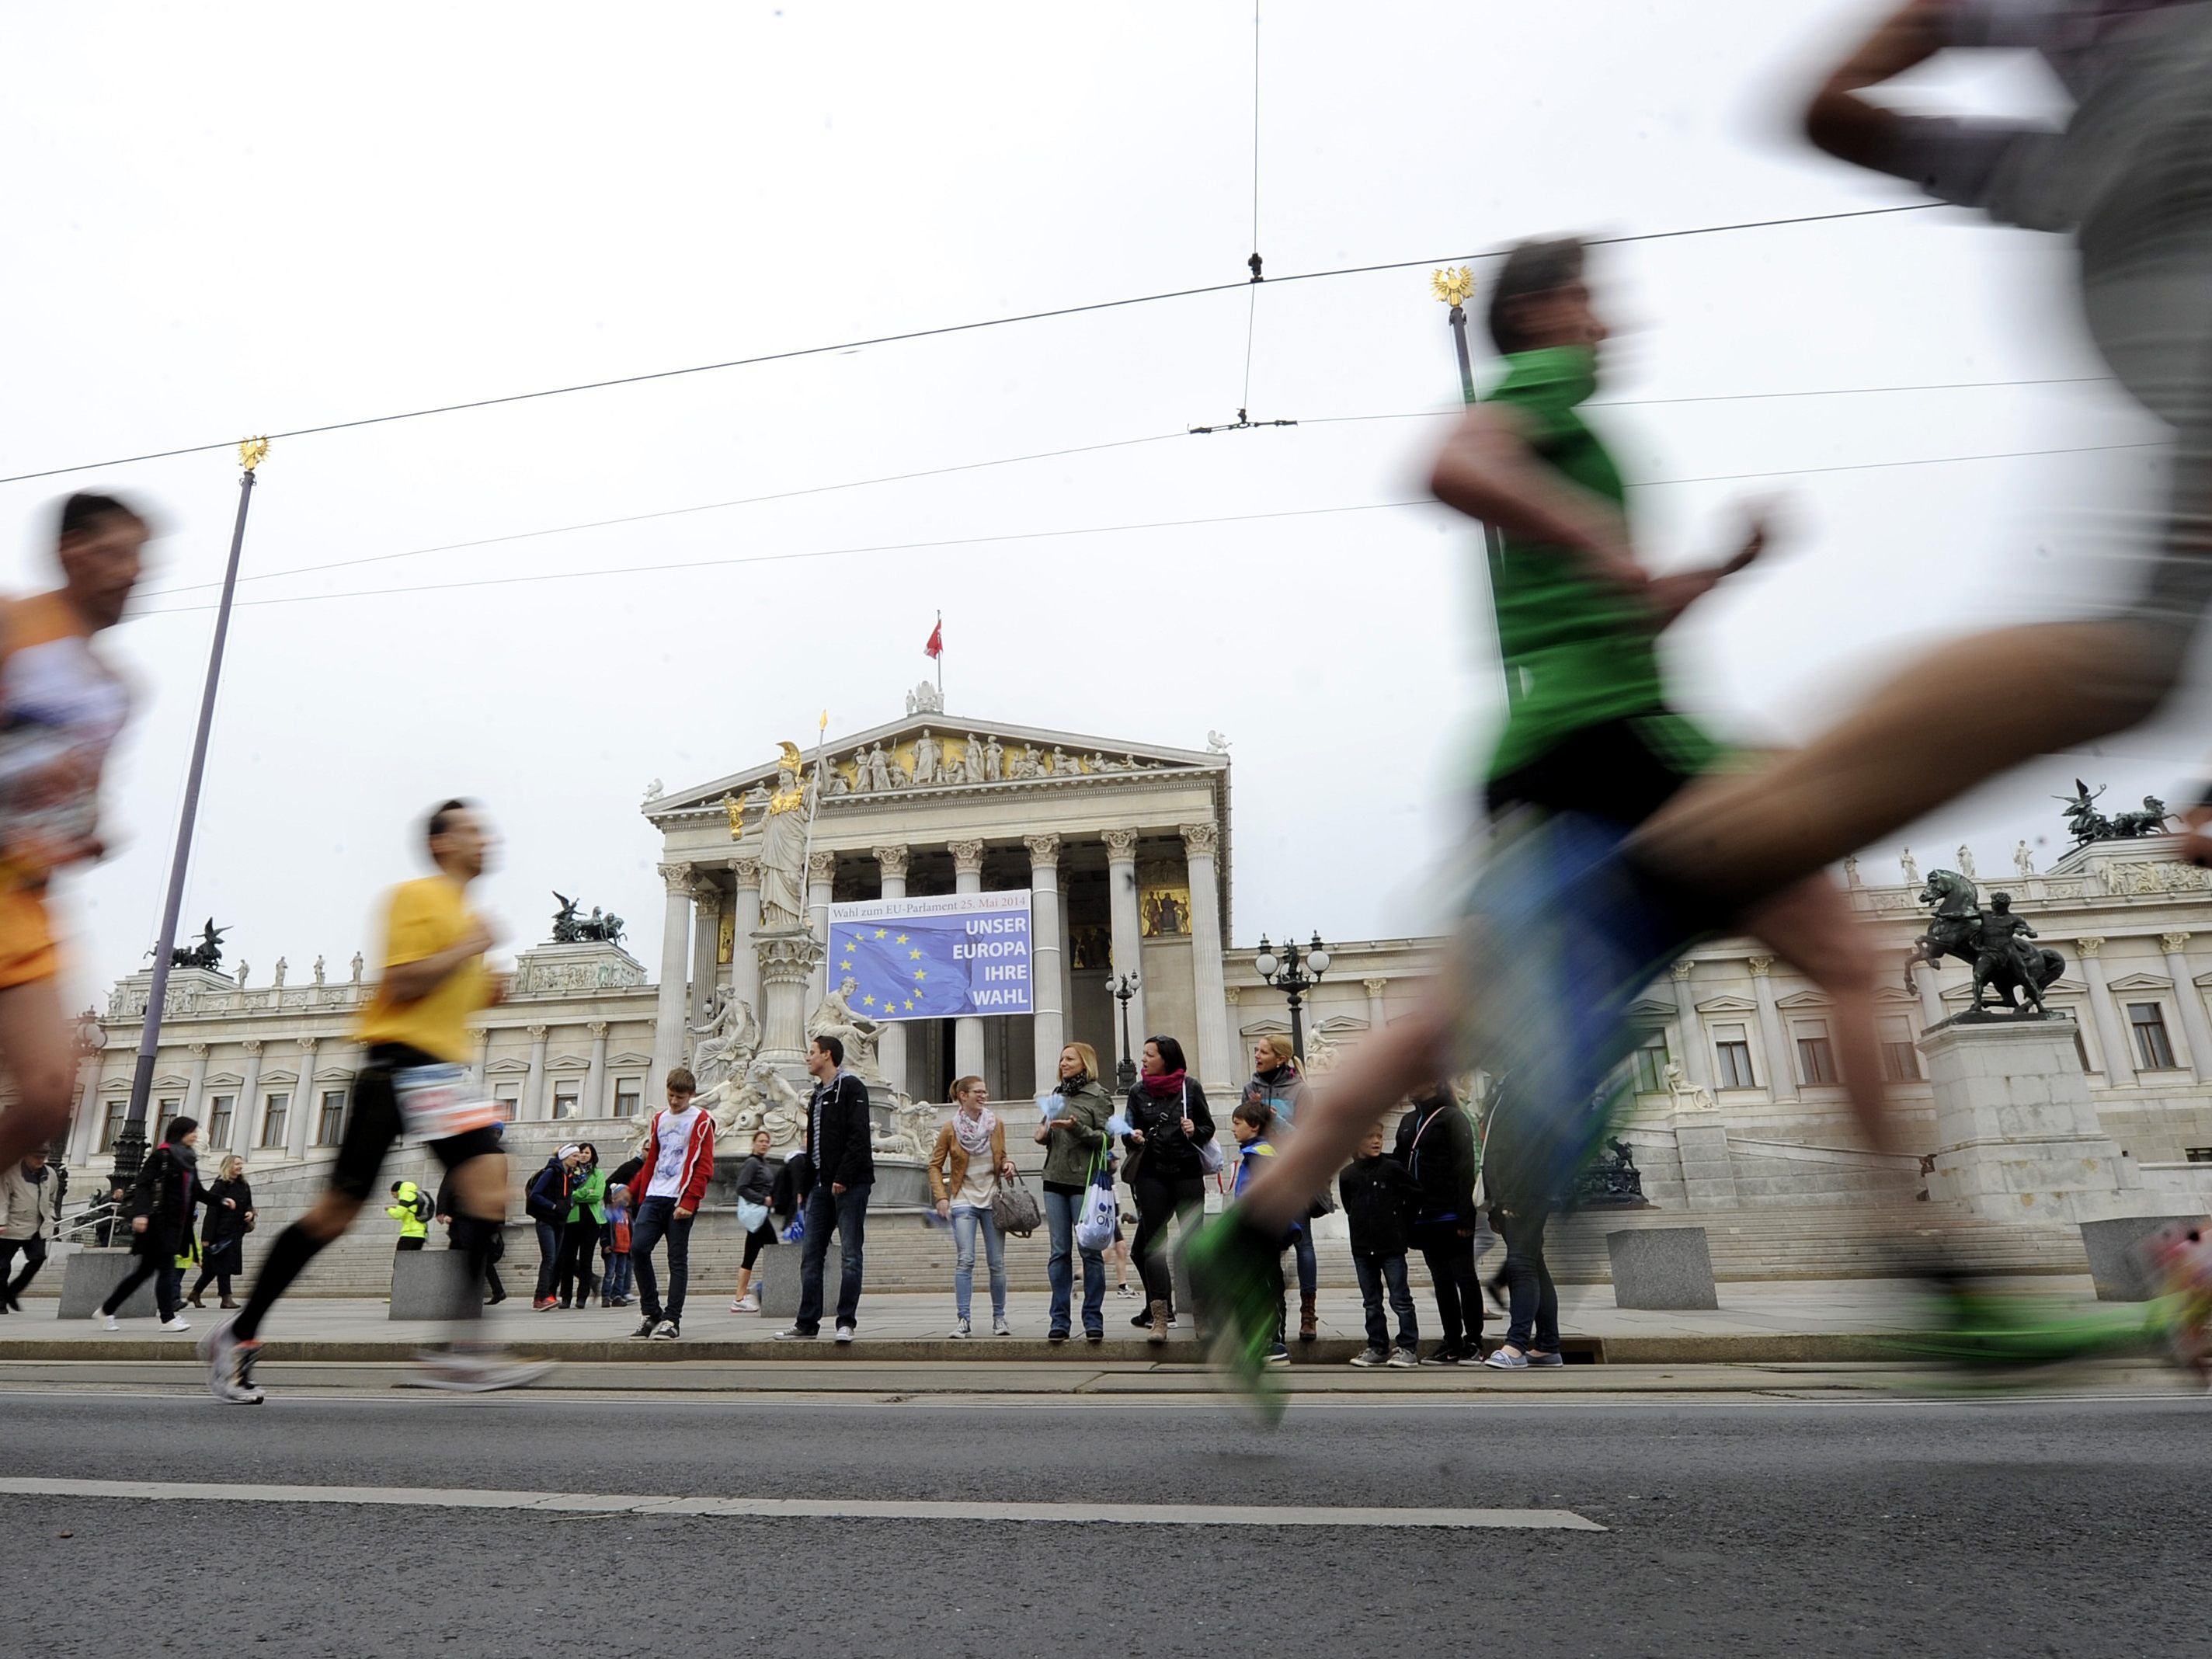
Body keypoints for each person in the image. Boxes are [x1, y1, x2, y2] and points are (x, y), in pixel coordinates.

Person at [202, 799, 549, 1402]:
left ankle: (462, 1352)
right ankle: (239, 1332)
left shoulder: (465, 913)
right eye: (472, 831)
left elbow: (450, 998)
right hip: (395, 1069)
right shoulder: (417, 899)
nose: (485, 840)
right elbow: (404, 983)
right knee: (336, 1214)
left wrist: (487, 989)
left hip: (437, 1074)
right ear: (441, 843)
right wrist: (467, 949)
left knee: (491, 1178)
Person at [0, 495, 149, 1179]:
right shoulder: (13, 624)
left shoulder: (115, 689)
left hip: (23, 902)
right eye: (118, 553)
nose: (134, 571)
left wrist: (84, 834)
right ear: (73, 551)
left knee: (49, 1095)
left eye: (140, 555)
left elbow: (78, 807)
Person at [777, 1035, 871, 1343]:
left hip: (850, 1185)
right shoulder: (816, 1096)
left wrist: (842, 1176)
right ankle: (807, 1323)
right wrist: (804, 1186)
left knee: (850, 1255)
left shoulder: (851, 1087)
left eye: (812, 1052)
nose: (807, 1057)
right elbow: (812, 1145)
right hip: (819, 1186)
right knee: (810, 1255)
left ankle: (846, 1321)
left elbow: (858, 1138)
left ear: (827, 1055)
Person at [1123, 1035, 1216, 1345]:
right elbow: (1127, 1130)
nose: (1144, 1060)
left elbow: (1208, 1128)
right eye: (1144, 1054)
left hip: (1187, 1172)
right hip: (1151, 1175)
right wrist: (1133, 1136)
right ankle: (1160, 1317)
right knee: (1154, 1245)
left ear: (1167, 1058)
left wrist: (1195, 1130)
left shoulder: (1191, 1087)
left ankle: (1202, 1316)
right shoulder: (1137, 1092)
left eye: (1150, 1054)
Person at [1395, 1084, 1482, 1365]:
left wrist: (1466, 1215)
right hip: (1423, 1216)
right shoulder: (1407, 1121)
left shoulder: (1452, 1118)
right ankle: (1452, 1341)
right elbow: (1399, 1163)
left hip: (1451, 1214)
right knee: (1441, 1281)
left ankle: (1474, 1342)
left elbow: (1464, 1167)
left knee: (1464, 1277)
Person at [1243, 1035, 1321, 1342]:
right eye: (1256, 1051)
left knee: (1303, 1243)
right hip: (1264, 1176)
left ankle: (1308, 1313)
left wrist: (1275, 1121)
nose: (1257, 1056)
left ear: (1280, 1058)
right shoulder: (1251, 1088)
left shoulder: (1300, 1090)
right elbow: (1244, 1129)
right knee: (1268, 1249)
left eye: (1263, 1052)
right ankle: (1274, 1315)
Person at [627, 1067, 714, 1341]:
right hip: (654, 1195)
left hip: (680, 1198)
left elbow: (705, 1166)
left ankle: (672, 1319)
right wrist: (633, 1190)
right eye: (671, 1095)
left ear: (692, 1095)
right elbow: (652, 1159)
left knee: (677, 1260)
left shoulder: (701, 1120)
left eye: (680, 1097)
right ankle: (651, 1312)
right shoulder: (659, 1119)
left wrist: (690, 1200)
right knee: (638, 1249)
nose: (674, 1102)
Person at [1036, 1041, 1113, 1344]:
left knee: (1090, 1253)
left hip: (1084, 1182)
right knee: (1059, 1253)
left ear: (1086, 1063)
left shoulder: (1099, 1097)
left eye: (1069, 1059)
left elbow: (1107, 1140)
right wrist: (1043, 1135)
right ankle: (1059, 1320)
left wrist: (1076, 1127)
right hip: (1054, 1179)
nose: (1063, 1063)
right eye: (1061, 1059)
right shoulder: (1057, 1094)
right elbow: (1051, 1133)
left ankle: (1093, 1319)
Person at [929, 1074, 1017, 1338]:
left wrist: (1007, 1165)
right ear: (963, 1096)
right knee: (965, 1260)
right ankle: (963, 1319)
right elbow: (934, 1165)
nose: (983, 1096)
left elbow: (1002, 1157)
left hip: (992, 1200)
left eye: (984, 1092)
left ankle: (999, 1318)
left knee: (996, 1263)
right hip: (963, 1199)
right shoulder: (950, 1128)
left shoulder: (995, 1124)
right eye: (977, 1092)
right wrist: (941, 1197)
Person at [99, 1116, 199, 1333]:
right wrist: (141, 1213)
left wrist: (222, 1201)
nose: (196, 1135)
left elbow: (197, 1190)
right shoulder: (161, 1156)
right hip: (156, 1223)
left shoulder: (189, 1160)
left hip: (174, 1224)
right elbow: (143, 1184)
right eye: (192, 1131)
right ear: (180, 1133)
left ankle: (107, 1309)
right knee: (166, 1269)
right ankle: (168, 1318)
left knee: (143, 1273)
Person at [1337, 1122, 1421, 1368]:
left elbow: (1416, 1193)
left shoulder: (1392, 1168)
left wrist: (1401, 1223)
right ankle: (1377, 1345)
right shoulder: (1348, 1175)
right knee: (1371, 1301)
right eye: (1369, 1136)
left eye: (1379, 1136)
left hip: (1391, 1245)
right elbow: (1348, 1205)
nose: (1376, 1141)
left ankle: (1407, 1347)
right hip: (1363, 1247)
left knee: (1400, 1298)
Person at [1228, 1098, 1296, 1366]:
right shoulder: (1254, 1155)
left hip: (1261, 1235)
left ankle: (1272, 1344)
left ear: (1254, 1126)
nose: (1233, 1129)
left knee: (1265, 1288)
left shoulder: (1261, 1156)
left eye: (1237, 1123)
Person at [435, 1160, 508, 1306]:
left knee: (471, 1254)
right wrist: (442, 1211)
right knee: (470, 1254)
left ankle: (469, 1292)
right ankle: (495, 1291)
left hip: (471, 1218)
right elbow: (446, 1189)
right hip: (463, 1217)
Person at [0, 1147, 64, 1311]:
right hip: (11, 1225)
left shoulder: (50, 1173)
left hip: (37, 1226)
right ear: (26, 1156)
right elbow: (3, 1198)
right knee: (2, 1266)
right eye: (36, 1157)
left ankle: (12, 1292)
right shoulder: (11, 1172)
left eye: (43, 1157)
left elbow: (52, 1198)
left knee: (38, 1258)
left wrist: (50, 1215)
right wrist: (1, 1222)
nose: (40, 1160)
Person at [187, 1154, 252, 1309]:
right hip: (220, 1233)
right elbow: (212, 1213)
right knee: (224, 1266)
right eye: (237, 1164)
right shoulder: (220, 1186)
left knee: (211, 1269)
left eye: (241, 1164)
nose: (240, 1167)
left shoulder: (243, 1185)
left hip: (236, 1231)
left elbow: (249, 1204)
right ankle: (226, 1298)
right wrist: (206, 1239)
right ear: (229, 1166)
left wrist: (251, 1212)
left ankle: (195, 1293)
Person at [525, 1145, 580, 1311]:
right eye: (575, 1156)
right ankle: (542, 1297)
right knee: (549, 1258)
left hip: (559, 1222)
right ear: (565, 1157)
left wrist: (568, 1205)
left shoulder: (568, 1175)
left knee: (554, 1259)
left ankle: (541, 1297)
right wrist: (554, 1206)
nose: (578, 1159)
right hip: (546, 1220)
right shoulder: (551, 1172)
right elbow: (535, 1194)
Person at [727, 1128, 776, 1313]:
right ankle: (764, 1291)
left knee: (751, 1255)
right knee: (774, 1253)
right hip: (758, 1214)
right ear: (754, 1143)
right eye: (761, 1141)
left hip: (759, 1215)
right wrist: (763, 1199)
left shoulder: (762, 1163)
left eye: (767, 1141)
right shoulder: (752, 1163)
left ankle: (740, 1298)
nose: (764, 1144)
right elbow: (741, 1187)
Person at [556, 1142, 605, 1309]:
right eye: (581, 1153)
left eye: (587, 1153)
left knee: (586, 1260)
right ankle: (565, 1297)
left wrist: (576, 1195)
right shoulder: (570, 1173)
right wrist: (584, 1192)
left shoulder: (598, 1174)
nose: (584, 1155)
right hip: (571, 1220)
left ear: (592, 1155)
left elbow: (597, 1195)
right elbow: (566, 1195)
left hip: (591, 1222)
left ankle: (582, 1296)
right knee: (567, 1260)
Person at [601, 1178, 633, 1309]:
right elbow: (604, 1231)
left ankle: (617, 1295)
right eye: (622, 1196)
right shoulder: (609, 1213)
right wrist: (605, 1244)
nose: (625, 1199)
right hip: (613, 1248)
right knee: (610, 1273)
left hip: (625, 1249)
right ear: (614, 1198)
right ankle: (606, 1295)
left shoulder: (627, 1214)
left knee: (622, 1273)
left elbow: (631, 1231)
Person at [386, 1178, 431, 1251]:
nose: (394, 1197)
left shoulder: (406, 1194)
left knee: (401, 1260)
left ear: (398, 1191)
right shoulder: (415, 1194)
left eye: (393, 1194)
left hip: (410, 1233)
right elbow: (411, 1209)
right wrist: (396, 1207)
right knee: (413, 1261)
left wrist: (389, 1209)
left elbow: (398, 1215)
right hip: (421, 1234)